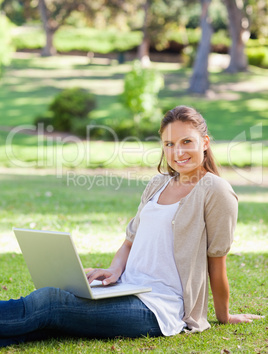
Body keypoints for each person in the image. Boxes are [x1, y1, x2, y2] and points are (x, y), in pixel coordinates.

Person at [0, 105, 263, 347]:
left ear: (204, 143)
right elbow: (130, 242)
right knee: (51, 308)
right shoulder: (157, 184)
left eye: (186, 142)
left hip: (159, 308)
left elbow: (217, 260)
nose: (178, 152)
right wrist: (114, 271)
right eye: (169, 144)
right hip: (126, 288)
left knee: (50, 304)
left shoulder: (215, 190)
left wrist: (224, 315)